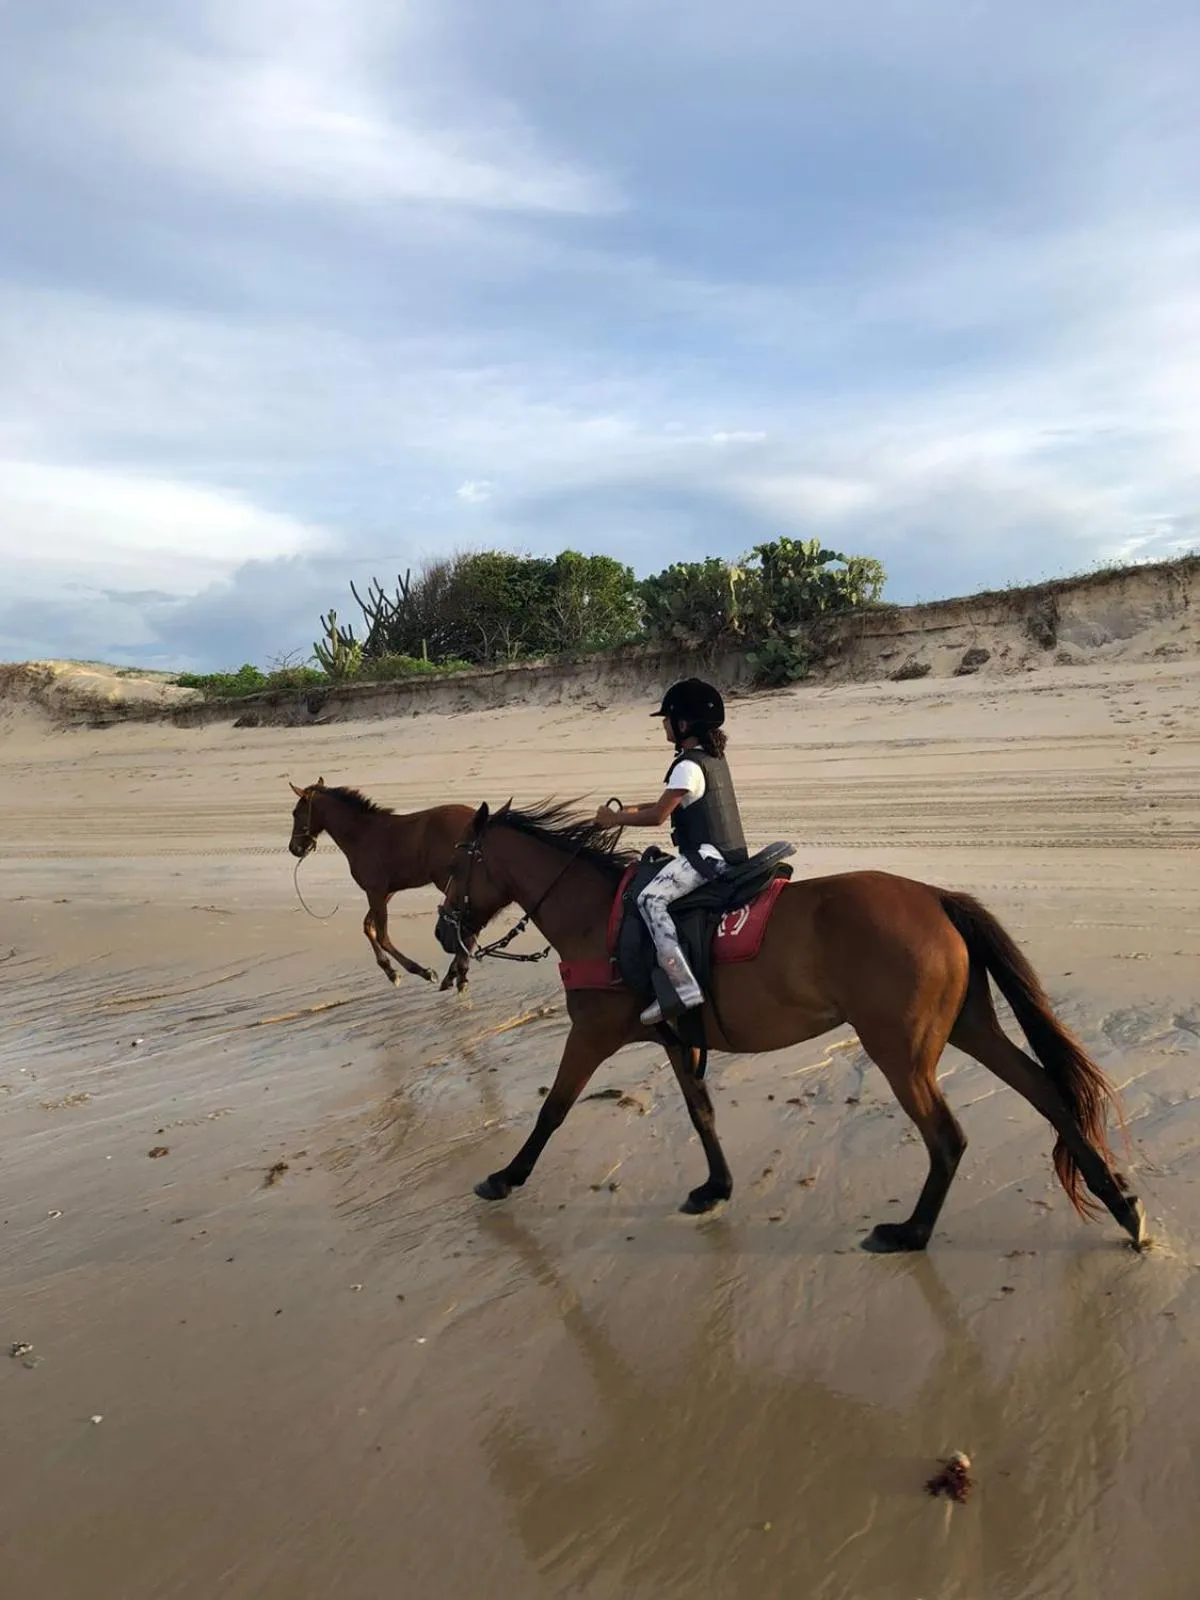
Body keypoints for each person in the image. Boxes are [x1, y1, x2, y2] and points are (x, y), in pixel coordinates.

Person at [595, 678, 748, 1025]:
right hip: (730, 851)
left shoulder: (686, 765)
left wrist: (613, 819)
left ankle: (681, 986)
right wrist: (628, 809)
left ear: (682, 725)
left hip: (707, 857)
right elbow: (670, 802)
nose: (663, 724)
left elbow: (659, 816)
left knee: (650, 900)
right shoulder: (710, 758)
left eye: (667, 719)